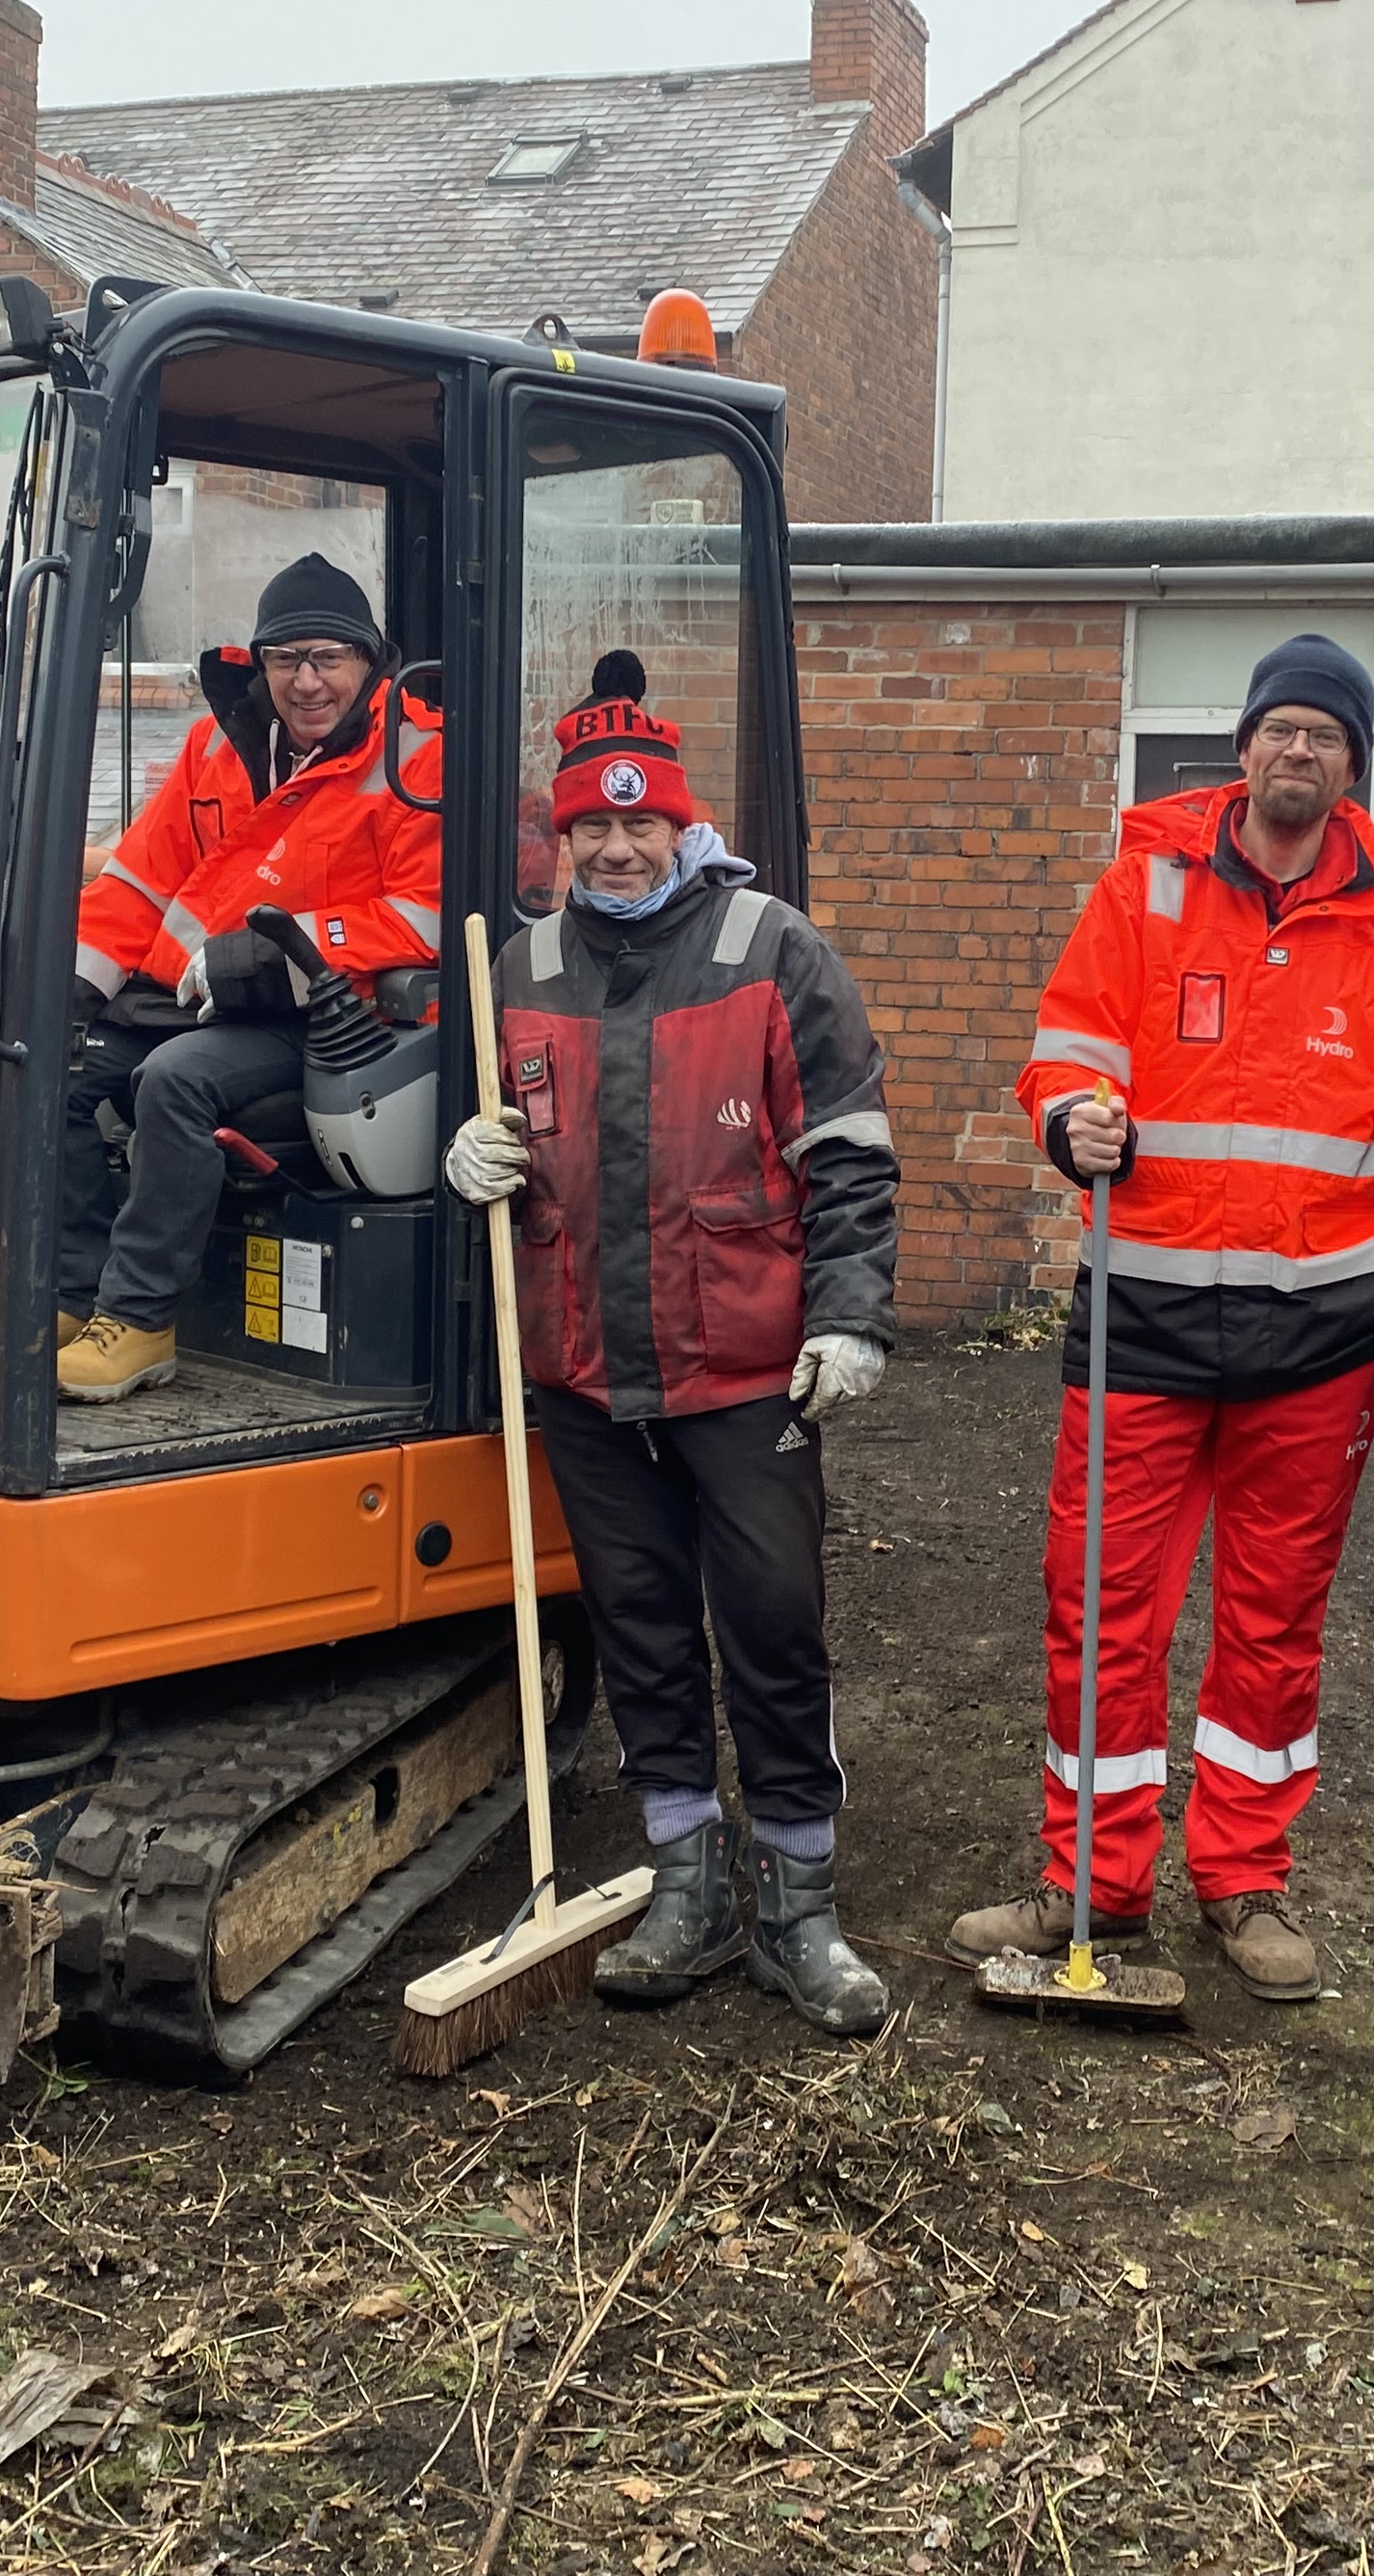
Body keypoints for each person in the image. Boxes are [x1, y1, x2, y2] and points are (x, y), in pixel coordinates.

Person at [953, 632, 1374, 2001]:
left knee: (1272, 1615)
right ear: (1243, 748)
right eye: (1279, 729)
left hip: (1326, 1341)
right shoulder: (1145, 887)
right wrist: (1072, 1117)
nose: (1298, 751)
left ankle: (1242, 1879)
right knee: (1101, 1607)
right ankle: (1092, 1879)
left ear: (1355, 762)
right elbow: (1067, 1049)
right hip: (1147, 1319)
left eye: (1326, 734)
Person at [440, 653, 901, 2035]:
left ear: (680, 824)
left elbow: (852, 1160)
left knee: (772, 1628)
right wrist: (467, 1157)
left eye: (643, 824)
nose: (621, 847)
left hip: (745, 1373)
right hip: (586, 1377)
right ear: (564, 839)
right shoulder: (516, 968)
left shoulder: (772, 951)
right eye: (594, 828)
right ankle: (687, 1883)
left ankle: (800, 1909)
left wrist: (850, 1317)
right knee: (641, 1633)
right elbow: (504, 1151)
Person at [57, 552, 441, 1402]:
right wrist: (71, 988)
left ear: (369, 659)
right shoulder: (215, 747)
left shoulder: (418, 760)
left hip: (345, 1020)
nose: (305, 683)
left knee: (173, 1082)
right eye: (284, 660)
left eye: (327, 659)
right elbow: (137, 879)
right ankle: (73, 1295)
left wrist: (280, 953)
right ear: (259, 664)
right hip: (209, 1000)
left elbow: (424, 919)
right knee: (57, 1070)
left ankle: (142, 1318)